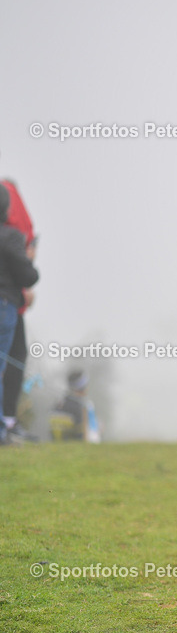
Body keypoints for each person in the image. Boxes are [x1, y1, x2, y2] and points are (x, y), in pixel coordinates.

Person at [0, 183, 40, 444]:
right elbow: (28, 275)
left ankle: (7, 425)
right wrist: (29, 258)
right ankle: (6, 426)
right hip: (7, 305)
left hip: (10, 302)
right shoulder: (11, 236)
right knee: (7, 364)